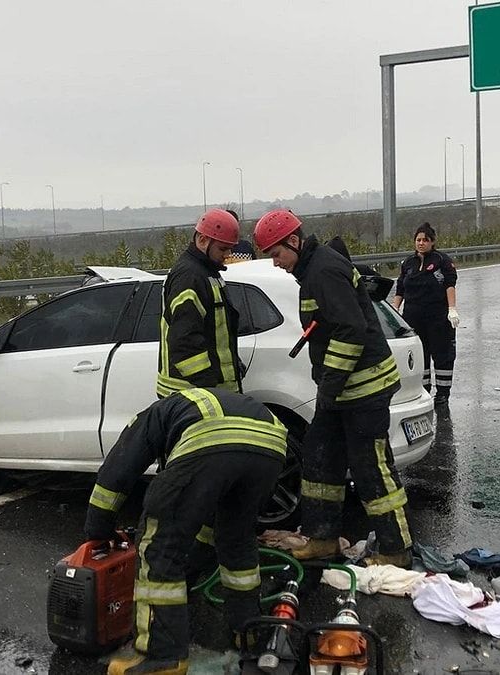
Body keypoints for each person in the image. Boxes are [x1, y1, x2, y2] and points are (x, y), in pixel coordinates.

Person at [83, 388, 288, 675]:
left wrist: (98, 529)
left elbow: (116, 474)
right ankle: (247, 629)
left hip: (211, 439)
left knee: (158, 544)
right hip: (272, 445)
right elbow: (201, 515)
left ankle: (162, 657)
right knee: (237, 538)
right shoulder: (188, 407)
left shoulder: (148, 418)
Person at [253, 209, 413, 567]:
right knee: (320, 461)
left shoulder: (323, 270)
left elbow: (350, 330)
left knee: (371, 469)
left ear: (293, 242)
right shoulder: (311, 271)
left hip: (363, 390)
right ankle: (322, 539)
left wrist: (330, 384)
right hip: (340, 393)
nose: (275, 263)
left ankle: (395, 550)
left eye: (277, 254)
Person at [157, 209, 242, 398]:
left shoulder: (206, 272)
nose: (227, 254)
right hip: (191, 393)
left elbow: (214, 332)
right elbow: (184, 341)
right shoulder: (190, 277)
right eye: (222, 248)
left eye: (230, 248)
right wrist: (209, 386)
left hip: (201, 392)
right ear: (203, 240)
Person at [391, 223, 459, 404]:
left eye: (425, 240)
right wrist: (394, 310)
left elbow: (449, 285)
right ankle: (424, 389)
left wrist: (452, 309)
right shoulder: (408, 263)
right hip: (413, 317)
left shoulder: (441, 261)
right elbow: (400, 289)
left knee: (442, 354)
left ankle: (443, 393)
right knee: (420, 354)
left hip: (437, 316)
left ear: (432, 242)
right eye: (418, 240)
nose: (421, 243)